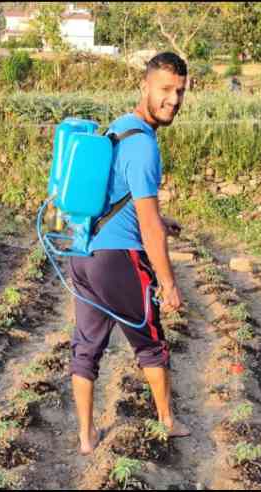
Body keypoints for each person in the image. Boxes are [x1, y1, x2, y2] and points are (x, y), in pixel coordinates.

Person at [67, 52, 191, 455]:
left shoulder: (120, 128)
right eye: (166, 90)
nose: (173, 100)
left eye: (180, 91)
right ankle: (168, 421)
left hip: (83, 252)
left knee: (86, 348)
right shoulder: (145, 148)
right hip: (118, 260)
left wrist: (161, 218)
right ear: (146, 86)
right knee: (151, 342)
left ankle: (86, 438)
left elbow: (122, 198)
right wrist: (169, 284)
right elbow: (148, 228)